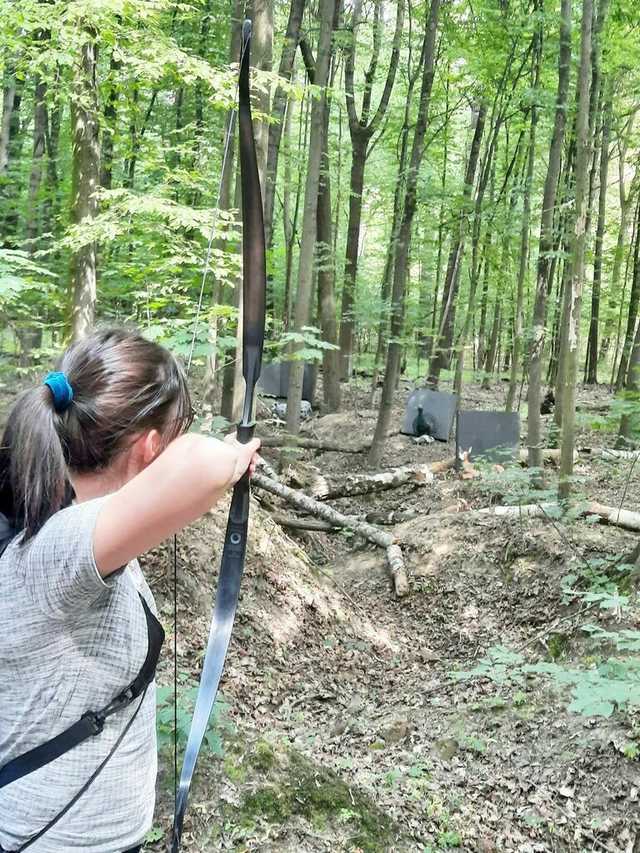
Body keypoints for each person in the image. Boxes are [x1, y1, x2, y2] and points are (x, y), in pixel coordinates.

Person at [0, 327, 260, 853]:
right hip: (58, 842)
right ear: (149, 447)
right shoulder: (58, 549)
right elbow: (203, 467)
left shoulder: (63, 516)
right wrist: (231, 458)